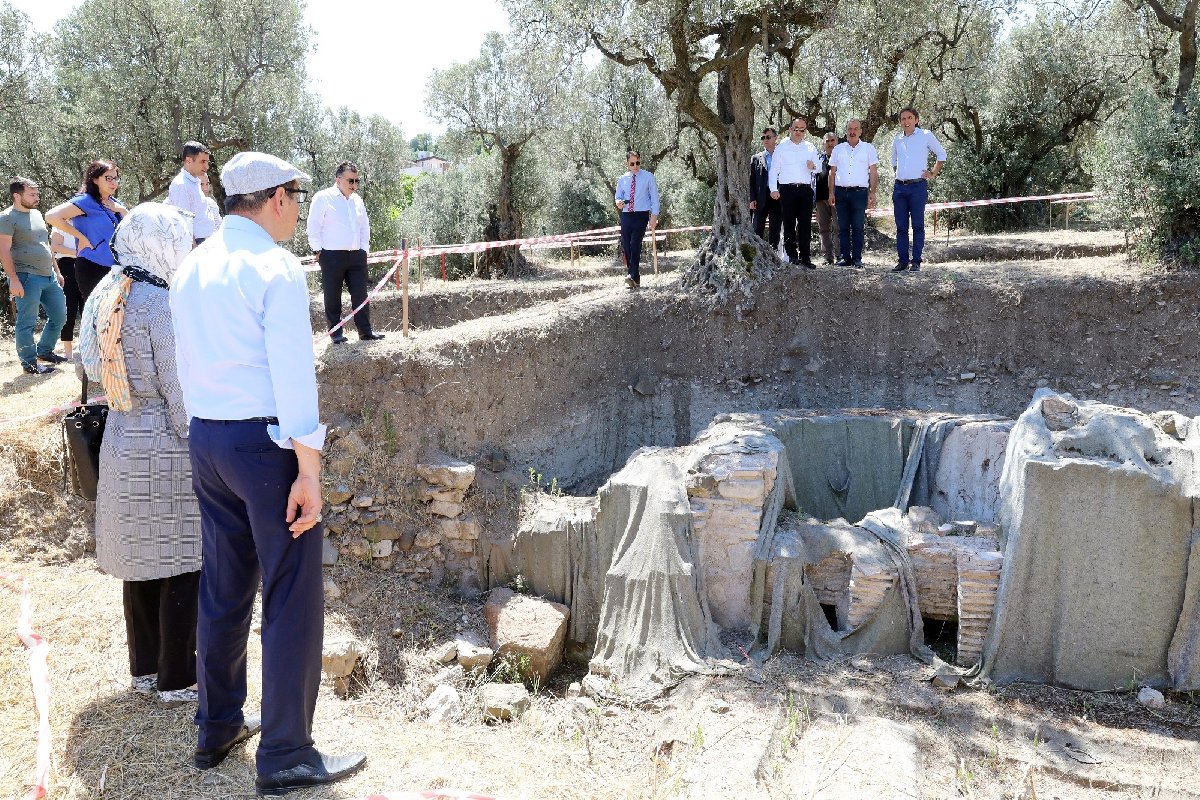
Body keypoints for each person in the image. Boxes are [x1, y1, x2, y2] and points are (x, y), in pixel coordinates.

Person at [170, 151, 366, 795]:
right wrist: (308, 470)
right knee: (290, 593)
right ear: (277, 198)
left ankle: (217, 724)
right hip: (262, 446)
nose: (299, 209)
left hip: (207, 439)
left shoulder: (190, 267)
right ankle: (285, 751)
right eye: (297, 196)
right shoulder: (274, 268)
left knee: (224, 587)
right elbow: (293, 379)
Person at [77, 202, 202, 706]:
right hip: (166, 444)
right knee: (182, 559)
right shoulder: (160, 300)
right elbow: (179, 389)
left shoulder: (104, 291)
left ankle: (144, 670)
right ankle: (178, 679)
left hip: (121, 436)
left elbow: (89, 362)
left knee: (140, 560)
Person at [306, 161, 382, 343]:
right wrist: (317, 250)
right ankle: (336, 334)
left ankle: (365, 332)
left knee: (361, 295)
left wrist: (364, 249)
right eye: (351, 180)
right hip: (331, 255)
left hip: (356, 255)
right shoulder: (323, 197)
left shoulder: (358, 200)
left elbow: (365, 227)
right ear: (338, 180)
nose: (354, 185)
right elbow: (313, 225)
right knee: (333, 297)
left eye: (357, 181)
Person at [0, 177, 67, 375]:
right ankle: (29, 364)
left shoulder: (37, 214)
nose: (37, 197)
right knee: (27, 322)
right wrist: (13, 279)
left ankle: (45, 351)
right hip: (26, 277)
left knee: (60, 316)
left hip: (49, 276)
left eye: (37, 193)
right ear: (16, 195)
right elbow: (4, 251)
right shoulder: (6, 218)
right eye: (32, 194)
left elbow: (45, 244)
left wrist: (57, 270)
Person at [46, 159, 129, 299]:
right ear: (95, 179)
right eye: (108, 178)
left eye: (116, 178)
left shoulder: (116, 204)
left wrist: (121, 209)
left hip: (117, 269)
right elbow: (51, 216)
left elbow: (132, 228)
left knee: (117, 318)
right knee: (97, 317)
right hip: (92, 267)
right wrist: (81, 237)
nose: (113, 182)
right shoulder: (85, 201)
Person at [890, 107, 946, 273]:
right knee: (901, 226)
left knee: (918, 226)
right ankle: (902, 261)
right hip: (899, 187)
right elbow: (894, 161)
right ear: (900, 121)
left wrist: (933, 173)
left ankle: (916, 262)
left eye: (909, 118)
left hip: (917, 187)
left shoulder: (926, 135)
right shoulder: (897, 139)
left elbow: (941, 154)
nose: (906, 122)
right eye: (903, 119)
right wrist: (901, 175)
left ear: (916, 120)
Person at [768, 117, 821, 268]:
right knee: (789, 223)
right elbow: (774, 170)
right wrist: (773, 189)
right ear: (790, 129)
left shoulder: (810, 147)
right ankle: (792, 256)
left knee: (805, 224)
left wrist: (813, 166)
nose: (798, 132)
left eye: (802, 129)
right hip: (787, 189)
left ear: (805, 131)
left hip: (805, 189)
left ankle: (806, 258)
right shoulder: (782, 147)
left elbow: (819, 168)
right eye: (795, 129)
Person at [828, 119, 880, 269]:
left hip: (859, 192)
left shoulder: (868, 148)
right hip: (841, 193)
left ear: (860, 131)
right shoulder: (838, 149)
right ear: (846, 131)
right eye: (850, 129)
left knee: (858, 226)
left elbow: (873, 171)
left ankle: (857, 258)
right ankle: (845, 258)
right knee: (842, 227)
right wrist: (831, 193)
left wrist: (873, 192)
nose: (852, 132)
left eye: (855, 129)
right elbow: (832, 173)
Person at [614, 150, 660, 290]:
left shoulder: (648, 177)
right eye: (632, 163)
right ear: (627, 164)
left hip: (641, 215)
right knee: (626, 245)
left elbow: (654, 198)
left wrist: (654, 217)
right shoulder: (622, 179)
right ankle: (635, 277)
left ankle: (631, 275)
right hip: (627, 214)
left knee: (635, 244)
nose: (635, 166)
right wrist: (619, 202)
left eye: (638, 163)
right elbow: (618, 197)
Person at [166, 141, 212, 246]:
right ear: (189, 160)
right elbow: (182, 222)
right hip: (198, 243)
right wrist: (194, 249)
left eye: (207, 162)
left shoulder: (194, 182)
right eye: (203, 162)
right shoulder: (181, 184)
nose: (206, 167)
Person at [749, 127, 781, 253]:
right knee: (757, 228)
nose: (765, 140)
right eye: (763, 138)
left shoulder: (782, 156)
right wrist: (752, 199)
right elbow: (752, 181)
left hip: (778, 197)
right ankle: (757, 254)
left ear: (775, 138)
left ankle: (773, 255)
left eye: (768, 137)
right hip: (761, 198)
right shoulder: (756, 158)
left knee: (775, 228)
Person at [52, 228, 82, 359]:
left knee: (88, 308)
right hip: (67, 266)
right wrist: (79, 251)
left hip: (87, 265)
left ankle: (88, 348)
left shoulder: (86, 218)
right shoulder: (60, 221)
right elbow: (54, 246)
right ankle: (68, 353)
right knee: (69, 308)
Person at [814, 132, 840, 265]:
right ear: (823, 144)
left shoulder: (842, 157)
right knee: (824, 228)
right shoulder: (818, 158)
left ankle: (840, 256)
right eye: (827, 141)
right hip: (820, 199)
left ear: (837, 142)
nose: (830, 143)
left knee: (838, 227)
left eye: (832, 140)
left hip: (838, 198)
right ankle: (828, 257)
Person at [196, 172, 222, 243]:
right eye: (201, 184)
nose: (205, 188)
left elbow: (219, 224)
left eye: (207, 184)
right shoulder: (187, 205)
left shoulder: (211, 203)